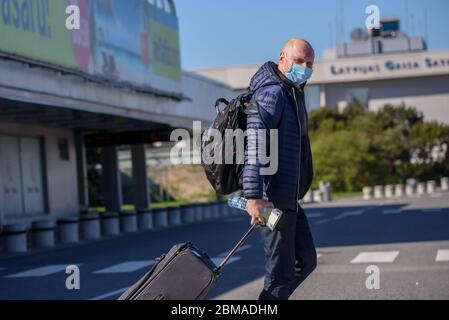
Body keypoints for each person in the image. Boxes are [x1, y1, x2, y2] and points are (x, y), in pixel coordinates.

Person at [243, 38, 317, 300]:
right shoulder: (272, 93)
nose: (305, 68)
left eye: (309, 63)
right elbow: (254, 144)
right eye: (299, 61)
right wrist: (253, 196)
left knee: (305, 261)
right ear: (282, 58)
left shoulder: (292, 92)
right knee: (280, 276)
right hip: (270, 199)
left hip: (288, 198)